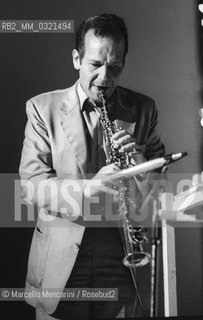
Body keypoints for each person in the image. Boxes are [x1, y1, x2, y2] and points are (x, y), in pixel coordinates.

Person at [19, 13, 165, 320]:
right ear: (76, 58)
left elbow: (159, 186)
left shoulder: (144, 109)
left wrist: (139, 161)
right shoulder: (41, 109)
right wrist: (90, 188)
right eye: (95, 65)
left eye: (115, 67)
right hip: (61, 265)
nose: (105, 78)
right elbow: (32, 185)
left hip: (122, 261)